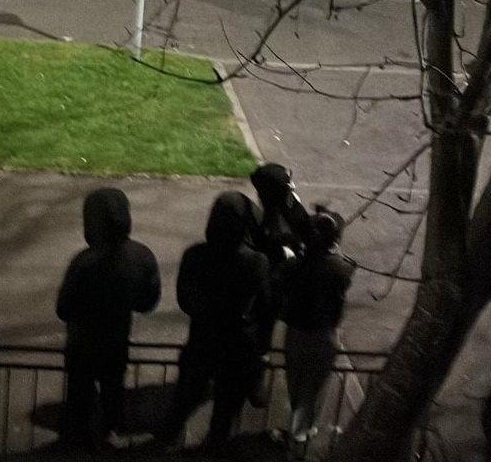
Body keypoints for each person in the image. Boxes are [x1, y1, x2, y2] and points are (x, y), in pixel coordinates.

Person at [159, 192, 271, 451]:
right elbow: (265, 306)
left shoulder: (195, 255)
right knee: (225, 407)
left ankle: (168, 439)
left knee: (185, 396)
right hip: (238, 345)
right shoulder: (257, 262)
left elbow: (185, 300)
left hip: (203, 339)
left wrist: (208, 312)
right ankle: (213, 447)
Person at [56, 188, 160, 449]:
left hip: (82, 345)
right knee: (113, 392)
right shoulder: (142, 257)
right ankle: (108, 437)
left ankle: (78, 443)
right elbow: (147, 303)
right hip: (115, 342)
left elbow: (63, 308)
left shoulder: (85, 262)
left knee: (80, 397)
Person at [283, 212, 354, 453]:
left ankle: (299, 428)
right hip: (323, 333)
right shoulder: (340, 269)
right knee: (313, 387)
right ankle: (301, 434)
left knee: (296, 381)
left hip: (296, 331)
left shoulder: (296, 265)